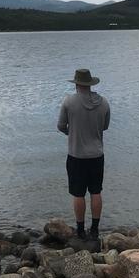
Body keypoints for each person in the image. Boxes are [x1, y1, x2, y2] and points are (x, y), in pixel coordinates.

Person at [57, 68, 110, 239]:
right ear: (90, 83)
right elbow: (105, 126)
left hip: (76, 156)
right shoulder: (104, 103)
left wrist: (70, 132)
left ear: (77, 84)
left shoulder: (68, 102)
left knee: (78, 193)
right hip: (97, 155)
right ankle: (94, 230)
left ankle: (80, 230)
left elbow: (60, 125)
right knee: (96, 191)